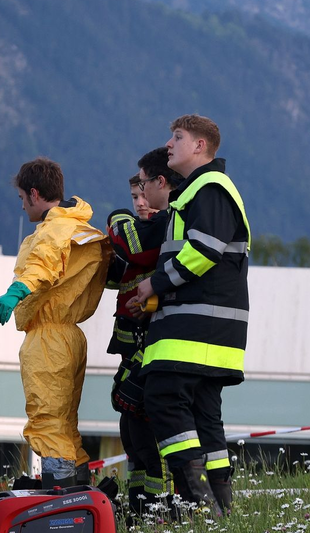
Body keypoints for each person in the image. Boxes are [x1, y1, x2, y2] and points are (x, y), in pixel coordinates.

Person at [130, 115, 251, 516]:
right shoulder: (194, 193)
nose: (169, 144)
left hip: (194, 331)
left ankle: (198, 504)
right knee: (204, 417)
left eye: (177, 137)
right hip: (210, 335)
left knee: (163, 397)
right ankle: (220, 512)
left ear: (200, 146)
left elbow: (204, 250)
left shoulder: (210, 187)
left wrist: (154, 286)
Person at [0, 157, 111, 488]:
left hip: (48, 336)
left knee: (47, 421)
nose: (23, 207)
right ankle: (79, 493)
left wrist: (15, 293)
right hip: (70, 335)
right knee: (66, 423)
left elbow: (42, 265)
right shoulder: (79, 227)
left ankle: (60, 499)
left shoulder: (54, 230)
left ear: (34, 193)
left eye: (22, 199)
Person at [105, 149, 182, 519]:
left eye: (143, 194)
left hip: (153, 343)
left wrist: (117, 223)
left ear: (160, 188)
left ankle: (156, 503)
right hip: (130, 343)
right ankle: (136, 502)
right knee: (129, 424)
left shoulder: (161, 227)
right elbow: (112, 272)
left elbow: (131, 246)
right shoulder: (135, 229)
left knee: (146, 422)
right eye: (133, 197)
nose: (140, 203)